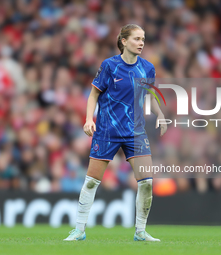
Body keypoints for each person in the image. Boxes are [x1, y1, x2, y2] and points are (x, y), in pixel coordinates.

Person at [64, 24, 167, 242]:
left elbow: (150, 94)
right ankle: (79, 230)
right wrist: (88, 119)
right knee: (91, 181)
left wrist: (160, 114)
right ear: (123, 41)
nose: (141, 43)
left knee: (147, 182)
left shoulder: (147, 68)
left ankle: (140, 231)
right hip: (107, 130)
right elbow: (93, 95)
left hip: (135, 131)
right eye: (137, 39)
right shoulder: (109, 66)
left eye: (143, 39)